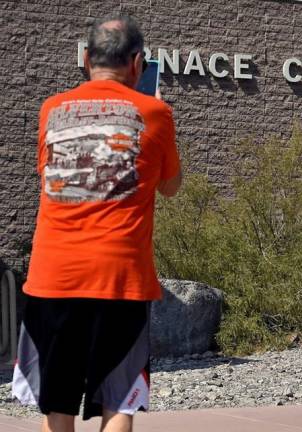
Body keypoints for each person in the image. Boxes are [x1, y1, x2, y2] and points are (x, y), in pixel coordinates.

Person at [12, 14, 181, 432]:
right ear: (137, 63)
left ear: (86, 59)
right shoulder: (155, 112)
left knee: (57, 405)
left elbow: (49, 177)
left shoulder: (51, 109)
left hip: (53, 276)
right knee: (119, 402)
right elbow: (171, 187)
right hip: (120, 279)